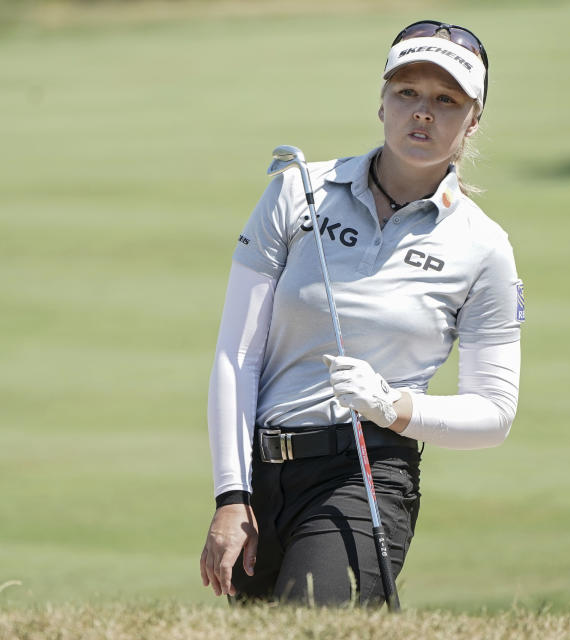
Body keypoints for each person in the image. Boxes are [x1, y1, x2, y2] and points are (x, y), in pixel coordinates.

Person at [199, 20, 523, 607]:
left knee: (317, 619)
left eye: (446, 100)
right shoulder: (297, 190)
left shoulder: (483, 246)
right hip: (262, 471)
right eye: (407, 93)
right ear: (381, 103)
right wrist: (230, 495)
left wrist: (392, 406)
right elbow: (237, 354)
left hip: (366, 471)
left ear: (473, 119)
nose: (422, 112)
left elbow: (495, 413)